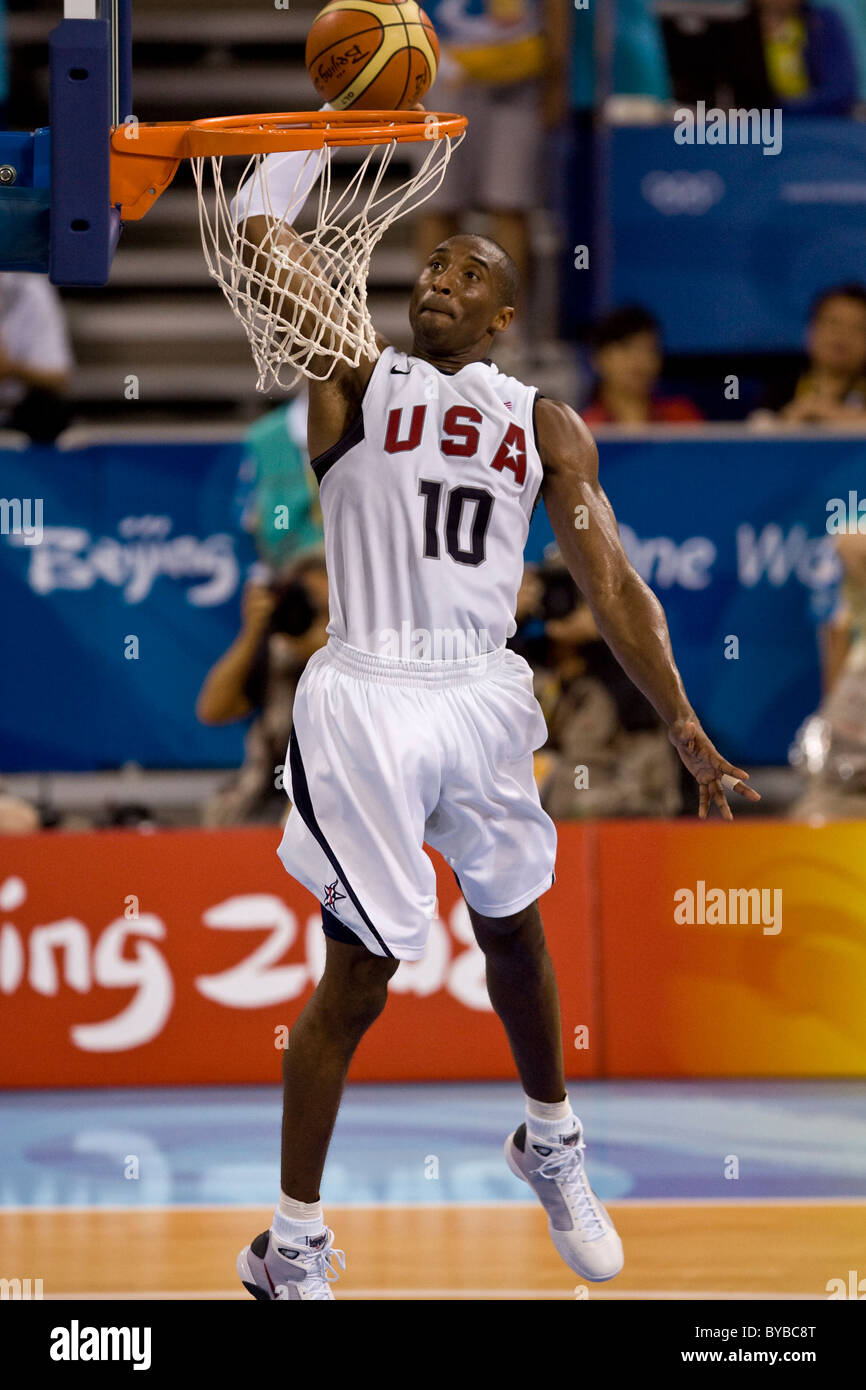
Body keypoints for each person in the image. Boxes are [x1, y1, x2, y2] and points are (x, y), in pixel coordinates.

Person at [229, 151, 760, 1300]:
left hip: (480, 691)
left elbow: (611, 582)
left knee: (512, 930)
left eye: (467, 272)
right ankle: (294, 1245)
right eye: (428, 265)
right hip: (369, 690)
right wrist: (318, 137)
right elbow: (263, 250)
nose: (438, 279)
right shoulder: (358, 377)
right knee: (361, 974)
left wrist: (679, 720)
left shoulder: (546, 426)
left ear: (504, 314)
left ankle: (549, 1140)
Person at [407, 0, 569, 365]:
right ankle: (432, 323)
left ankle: (506, 328)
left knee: (509, 204)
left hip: (517, 69)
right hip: (442, 66)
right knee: (439, 202)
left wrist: (557, 73)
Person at [196, 553, 329, 826]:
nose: (316, 619)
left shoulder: (363, 663)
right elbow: (212, 710)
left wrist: (320, 649)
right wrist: (252, 632)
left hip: (332, 797)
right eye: (308, 605)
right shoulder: (277, 651)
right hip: (265, 794)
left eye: (326, 610)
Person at [751, 284, 866, 428]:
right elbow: (759, 429)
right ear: (810, 330)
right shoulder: (781, 388)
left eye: (858, 328)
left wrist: (832, 414)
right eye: (833, 323)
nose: (842, 335)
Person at [724, 0, 859, 116]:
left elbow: (841, 92)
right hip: (757, 126)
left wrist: (775, 108)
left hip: (820, 124)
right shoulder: (732, 27)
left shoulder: (823, 22)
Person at [581, 305, 704, 426]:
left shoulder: (682, 419)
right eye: (626, 347)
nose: (641, 360)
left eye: (650, 349)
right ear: (598, 358)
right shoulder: (584, 429)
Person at [0, 272, 74, 442]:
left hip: (18, 409)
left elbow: (59, 377)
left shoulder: (32, 288)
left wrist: (11, 369)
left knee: (49, 408)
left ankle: (40, 465)